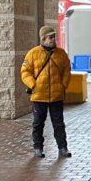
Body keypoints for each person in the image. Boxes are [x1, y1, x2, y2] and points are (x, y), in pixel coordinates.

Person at [21, 26, 72, 158]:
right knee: (38, 124)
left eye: (54, 36)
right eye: (50, 37)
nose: (53, 39)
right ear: (43, 39)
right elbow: (25, 71)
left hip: (56, 96)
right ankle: (38, 147)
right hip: (39, 96)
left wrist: (63, 85)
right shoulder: (33, 53)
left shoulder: (61, 54)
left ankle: (62, 147)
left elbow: (67, 70)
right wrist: (33, 84)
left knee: (59, 123)